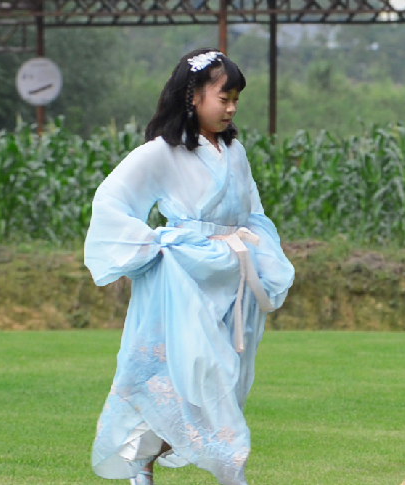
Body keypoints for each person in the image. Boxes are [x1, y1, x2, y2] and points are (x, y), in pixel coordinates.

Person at [84, 48, 295, 485]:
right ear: (192, 95)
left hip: (230, 279)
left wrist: (265, 259)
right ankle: (227, 472)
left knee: (221, 382)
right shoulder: (162, 153)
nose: (231, 108)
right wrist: (155, 244)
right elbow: (111, 201)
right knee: (188, 377)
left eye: (236, 99)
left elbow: (252, 213)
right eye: (223, 97)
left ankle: (142, 458)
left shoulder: (234, 152)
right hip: (184, 278)